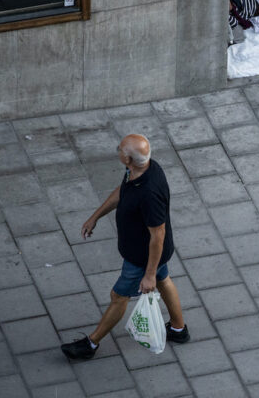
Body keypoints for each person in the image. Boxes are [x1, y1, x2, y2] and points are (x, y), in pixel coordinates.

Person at [61, 134, 189, 359]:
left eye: (120, 149)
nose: (117, 150)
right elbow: (123, 191)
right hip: (152, 254)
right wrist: (96, 216)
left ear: (128, 159)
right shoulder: (144, 169)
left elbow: (157, 235)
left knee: (118, 296)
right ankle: (178, 329)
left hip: (141, 257)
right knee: (163, 279)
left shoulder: (149, 193)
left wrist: (147, 275)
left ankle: (90, 345)